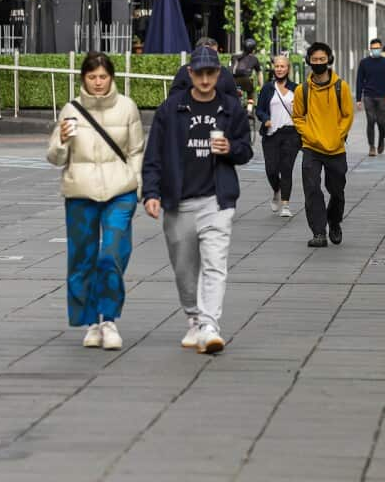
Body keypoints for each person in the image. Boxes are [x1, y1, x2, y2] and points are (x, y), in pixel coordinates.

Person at [143, 46, 253, 354]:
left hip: (217, 200)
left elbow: (246, 150)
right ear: (190, 73)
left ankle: (209, 325)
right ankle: (193, 316)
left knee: (215, 264)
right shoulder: (171, 109)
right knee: (184, 267)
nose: (205, 79)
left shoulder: (231, 108)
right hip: (179, 201)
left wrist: (229, 148)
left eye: (211, 73)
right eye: (199, 73)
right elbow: (154, 155)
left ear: (218, 74)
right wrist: (150, 193)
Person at [47, 52, 145, 350]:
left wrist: (137, 185)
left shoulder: (127, 108)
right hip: (80, 192)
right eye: (92, 77)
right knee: (82, 258)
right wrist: (62, 140)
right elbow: (54, 157)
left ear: (111, 77)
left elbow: (137, 149)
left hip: (120, 190)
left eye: (103, 76)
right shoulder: (70, 110)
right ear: (83, 79)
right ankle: (90, 322)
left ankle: (109, 318)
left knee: (112, 253)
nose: (98, 82)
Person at [293, 42, 355, 248]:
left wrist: (338, 135)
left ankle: (334, 222)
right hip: (311, 148)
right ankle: (319, 232)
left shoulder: (341, 87)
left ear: (329, 60)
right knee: (312, 189)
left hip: (336, 148)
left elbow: (348, 115)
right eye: (314, 59)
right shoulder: (302, 90)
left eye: (322, 59)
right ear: (308, 61)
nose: (318, 63)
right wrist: (309, 136)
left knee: (337, 191)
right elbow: (298, 117)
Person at [256, 55, 300, 217]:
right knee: (271, 170)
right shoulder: (268, 88)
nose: (280, 69)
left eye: (283, 66)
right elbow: (259, 110)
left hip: (291, 134)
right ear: (274, 68)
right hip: (271, 134)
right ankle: (277, 190)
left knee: (286, 168)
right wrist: (266, 119)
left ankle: (286, 205)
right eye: (277, 66)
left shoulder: (297, 89)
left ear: (288, 69)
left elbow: (305, 111)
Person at [355, 37, 385, 156]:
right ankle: (371, 146)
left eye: (377, 48)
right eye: (373, 48)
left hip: (382, 96)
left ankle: (381, 140)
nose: (375, 50)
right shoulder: (364, 63)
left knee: (381, 122)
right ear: (370, 49)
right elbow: (359, 81)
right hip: (368, 96)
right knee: (371, 121)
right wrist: (358, 99)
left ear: (381, 48)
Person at [169, 36, 239, 99]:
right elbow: (174, 97)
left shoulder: (225, 73)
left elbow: (233, 99)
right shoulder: (184, 71)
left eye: (213, 53)